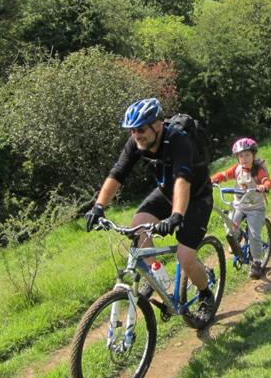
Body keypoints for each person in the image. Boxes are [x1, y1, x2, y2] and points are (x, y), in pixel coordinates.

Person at [84, 98, 215, 319]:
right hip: (166, 192)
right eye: (132, 131)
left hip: (196, 197)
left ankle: (205, 295)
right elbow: (117, 173)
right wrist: (98, 207)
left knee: (185, 257)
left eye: (141, 129)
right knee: (138, 227)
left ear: (158, 125)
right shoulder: (136, 144)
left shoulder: (178, 140)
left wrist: (176, 216)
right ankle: (159, 282)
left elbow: (183, 179)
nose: (137, 135)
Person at [210, 137, 271, 279]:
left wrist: (265, 186)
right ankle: (237, 238)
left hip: (255, 208)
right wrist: (212, 180)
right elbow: (224, 175)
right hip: (240, 205)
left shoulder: (258, 170)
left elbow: (266, 180)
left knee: (254, 235)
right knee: (229, 228)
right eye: (240, 156)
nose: (244, 158)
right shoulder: (237, 169)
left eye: (247, 155)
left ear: (253, 155)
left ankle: (257, 262)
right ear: (237, 158)